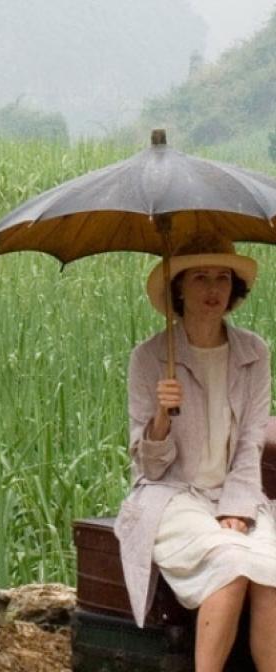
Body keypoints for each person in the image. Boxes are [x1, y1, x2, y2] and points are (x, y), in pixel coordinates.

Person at [115, 233, 276, 672]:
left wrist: (237, 507)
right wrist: (162, 416)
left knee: (271, 571)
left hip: (234, 492)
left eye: (222, 277)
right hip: (171, 496)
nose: (213, 289)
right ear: (179, 288)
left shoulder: (254, 353)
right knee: (231, 563)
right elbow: (149, 467)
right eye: (200, 277)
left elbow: (250, 442)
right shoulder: (150, 357)